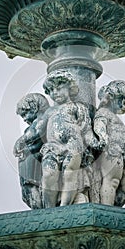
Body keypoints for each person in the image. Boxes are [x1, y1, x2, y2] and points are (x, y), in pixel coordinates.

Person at [36, 70, 98, 208]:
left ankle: (64, 207)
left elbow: (86, 129)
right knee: (48, 174)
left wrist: (96, 142)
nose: (55, 93)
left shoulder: (77, 107)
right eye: (51, 90)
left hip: (73, 144)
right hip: (53, 146)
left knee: (69, 174)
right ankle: (49, 209)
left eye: (59, 88)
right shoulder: (49, 111)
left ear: (70, 88)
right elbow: (37, 130)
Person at [94, 80, 125, 206]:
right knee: (112, 181)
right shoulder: (103, 112)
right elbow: (99, 125)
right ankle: (107, 209)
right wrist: (102, 137)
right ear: (112, 97)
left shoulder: (113, 115)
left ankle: (114, 208)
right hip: (113, 149)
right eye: (123, 102)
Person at [13, 93, 49, 209]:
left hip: (33, 162)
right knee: (27, 194)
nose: (24, 119)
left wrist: (21, 141)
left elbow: (36, 132)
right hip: (28, 161)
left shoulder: (42, 119)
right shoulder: (36, 122)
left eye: (25, 114)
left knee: (31, 189)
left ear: (33, 107)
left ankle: (40, 215)